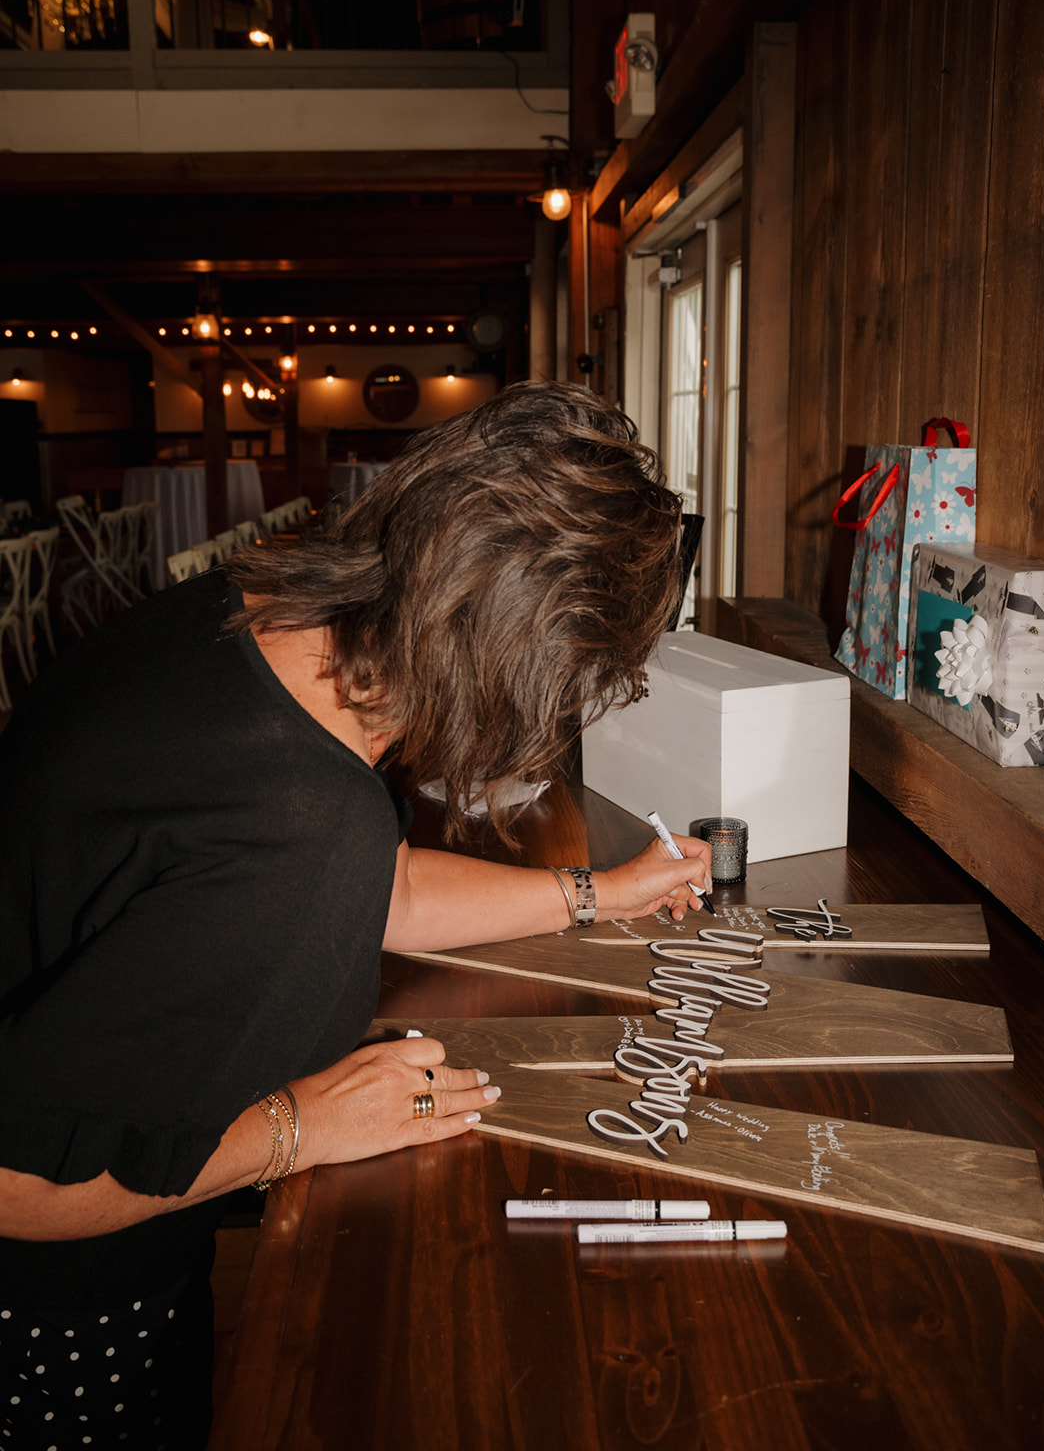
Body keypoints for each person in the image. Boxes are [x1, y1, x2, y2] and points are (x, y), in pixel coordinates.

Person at [0, 381, 712, 1449]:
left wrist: (604, 892)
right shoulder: (300, 822)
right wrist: (298, 1128)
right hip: (45, 1316)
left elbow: (376, 885)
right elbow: (17, 1186)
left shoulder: (254, 618)